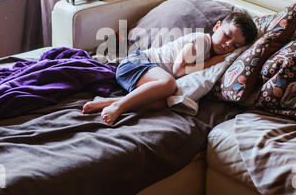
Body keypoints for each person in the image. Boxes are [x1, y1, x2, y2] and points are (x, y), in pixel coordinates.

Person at [82, 11, 258, 125]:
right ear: (217, 27)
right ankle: (119, 106)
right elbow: (179, 70)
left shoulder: (215, 54)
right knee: (169, 84)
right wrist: (211, 63)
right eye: (226, 36)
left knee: (163, 103)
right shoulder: (201, 41)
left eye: (235, 46)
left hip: (145, 78)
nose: (228, 45)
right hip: (135, 63)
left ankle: (106, 102)